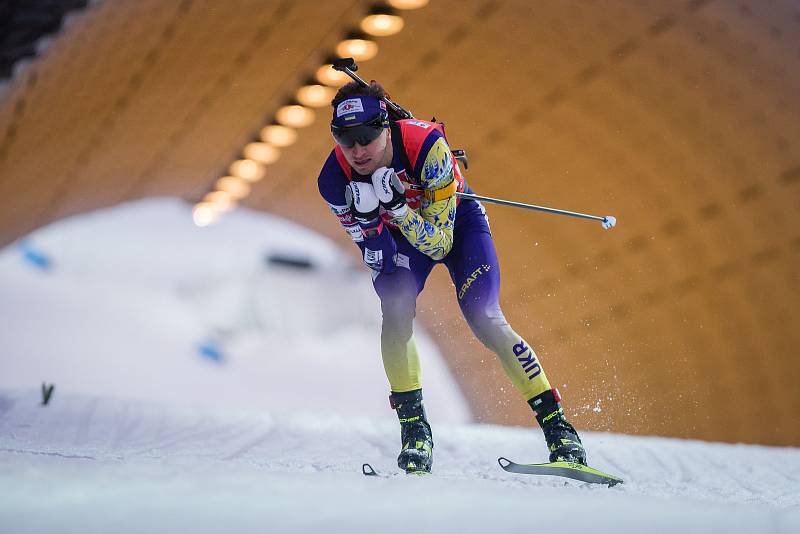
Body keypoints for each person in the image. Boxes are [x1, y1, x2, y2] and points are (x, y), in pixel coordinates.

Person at [317, 81, 586, 474]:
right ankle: (414, 432)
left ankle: (559, 429)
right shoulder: (333, 180)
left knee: (484, 316)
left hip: (457, 227)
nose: (357, 151)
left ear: (385, 128)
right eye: (345, 139)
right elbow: (376, 259)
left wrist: (398, 209)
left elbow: (440, 244)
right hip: (399, 235)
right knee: (394, 312)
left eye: (366, 138)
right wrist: (372, 225)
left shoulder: (427, 147)